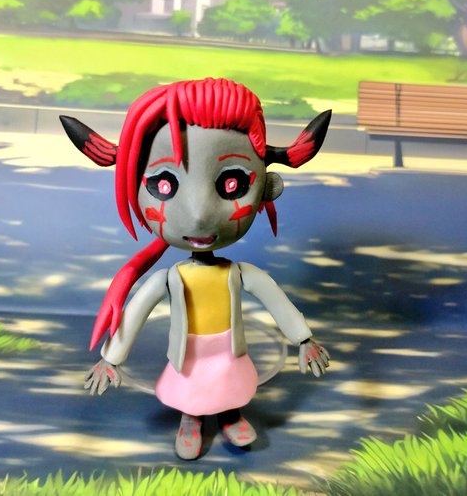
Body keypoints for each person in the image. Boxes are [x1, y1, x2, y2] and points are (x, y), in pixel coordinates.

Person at [60, 78, 331, 460]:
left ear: (268, 188)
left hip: (230, 352)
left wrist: (303, 338)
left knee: (231, 387)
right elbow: (135, 313)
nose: (200, 215)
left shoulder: (240, 274)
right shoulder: (170, 279)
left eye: (232, 183)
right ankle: (191, 420)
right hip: (188, 354)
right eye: (164, 185)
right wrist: (112, 357)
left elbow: (276, 301)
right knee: (192, 390)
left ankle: (231, 416)